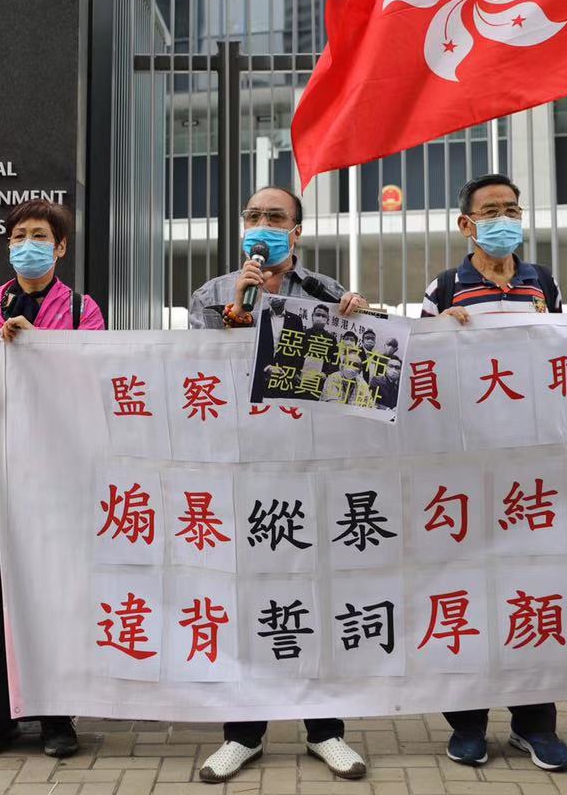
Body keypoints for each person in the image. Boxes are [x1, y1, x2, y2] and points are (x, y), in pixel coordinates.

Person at [186, 184, 369, 783]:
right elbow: (198, 377)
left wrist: (357, 321)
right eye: (254, 215)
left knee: (318, 594)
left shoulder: (329, 294)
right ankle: (244, 733)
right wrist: (242, 307)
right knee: (245, 596)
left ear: (296, 231)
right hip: (244, 468)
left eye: (276, 217)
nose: (263, 224)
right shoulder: (213, 295)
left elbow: (357, 379)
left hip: (311, 467)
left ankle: (327, 730)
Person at [418, 173, 567, 773]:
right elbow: (422, 369)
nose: (503, 218)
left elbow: (566, 361)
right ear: (466, 224)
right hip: (468, 470)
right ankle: (469, 725)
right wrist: (442, 333)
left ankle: (536, 724)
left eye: (512, 208)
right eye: (490, 210)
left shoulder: (544, 283)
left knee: (532, 591)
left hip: (530, 469)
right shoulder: (446, 287)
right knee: (472, 593)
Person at [0, 198, 105, 759]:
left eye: (40, 235)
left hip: (56, 477)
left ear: (61, 247)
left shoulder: (84, 310)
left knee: (53, 591)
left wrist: (36, 343)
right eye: (19, 236)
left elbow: (93, 379)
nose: (28, 245)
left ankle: (56, 715)